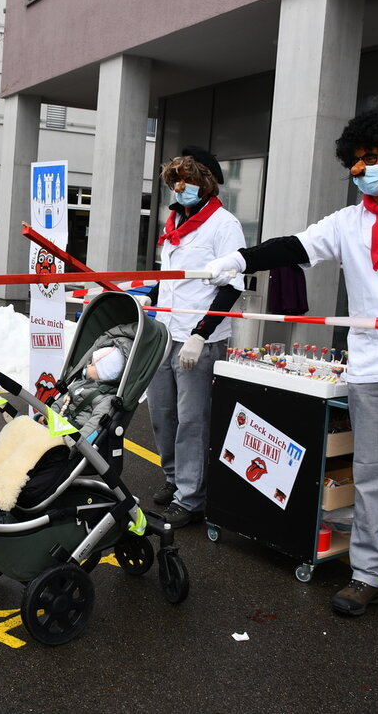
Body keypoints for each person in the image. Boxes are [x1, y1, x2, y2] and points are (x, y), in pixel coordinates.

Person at [203, 110, 378, 632]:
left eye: (371, 159)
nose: (362, 170)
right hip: (374, 362)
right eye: (356, 162)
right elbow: (297, 246)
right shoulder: (348, 222)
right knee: (370, 476)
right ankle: (367, 575)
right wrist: (241, 259)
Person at [145, 149, 246, 528]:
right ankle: (174, 478)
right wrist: (148, 298)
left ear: (207, 183)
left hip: (199, 340)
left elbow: (233, 285)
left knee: (192, 421)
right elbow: (170, 279)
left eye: (187, 180)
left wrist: (201, 335)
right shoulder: (174, 223)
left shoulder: (224, 224)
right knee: (162, 414)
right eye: (174, 181)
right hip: (165, 333)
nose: (180, 187)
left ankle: (191, 497)